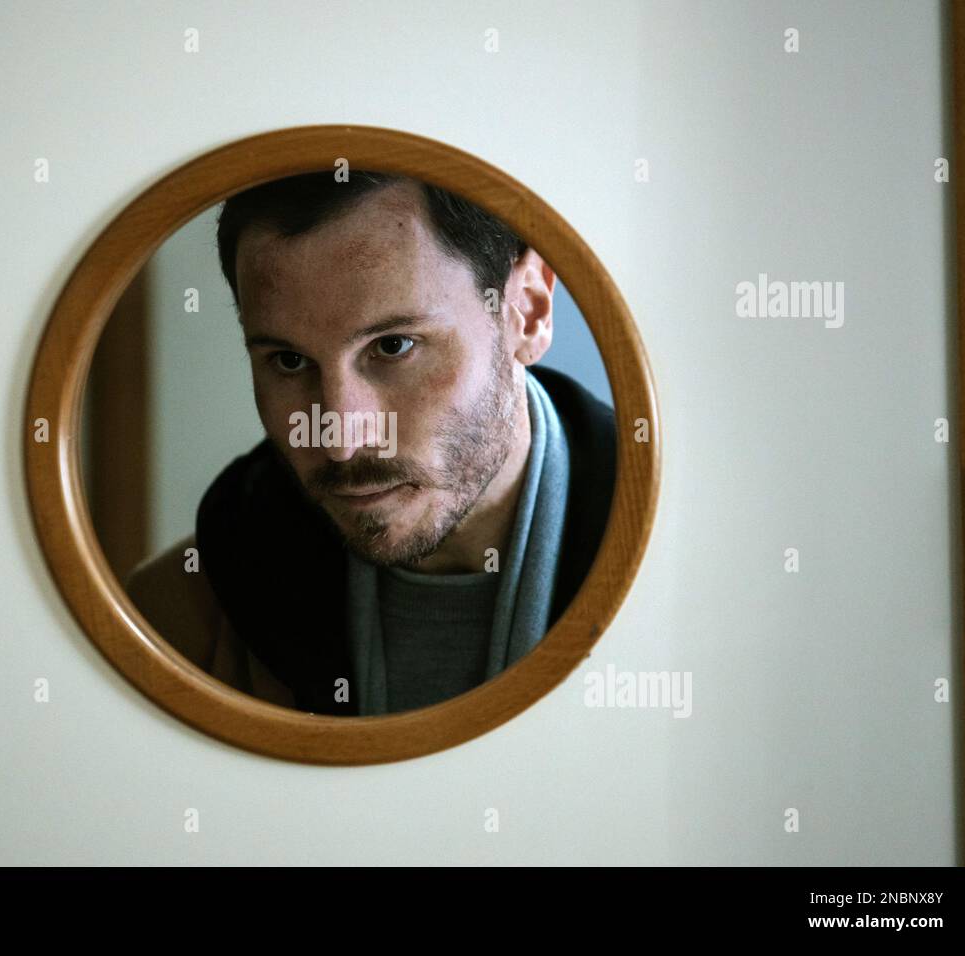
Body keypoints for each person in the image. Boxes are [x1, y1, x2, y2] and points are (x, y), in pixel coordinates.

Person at [125, 171, 615, 716]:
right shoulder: (172, 623)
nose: (339, 438)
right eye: (289, 361)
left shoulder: (680, 580)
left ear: (527, 309)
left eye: (393, 345)